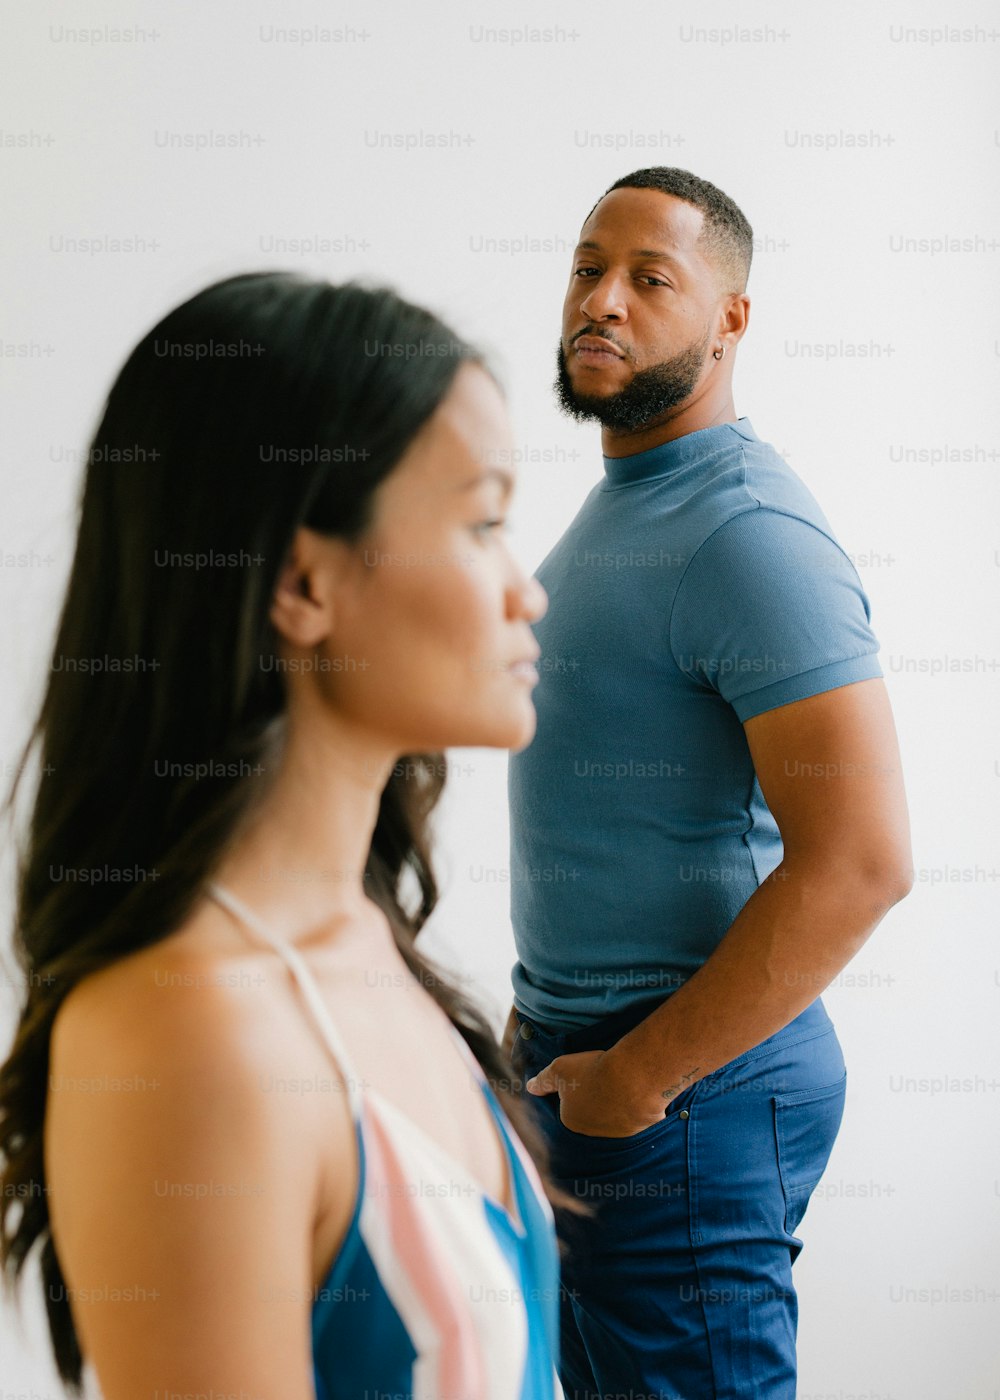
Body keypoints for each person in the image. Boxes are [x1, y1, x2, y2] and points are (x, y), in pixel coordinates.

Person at [0, 272, 568, 1399]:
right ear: (302, 579)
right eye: (484, 520)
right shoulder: (187, 1030)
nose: (526, 592)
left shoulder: (365, 939)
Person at [504, 168, 914, 1399]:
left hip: (688, 1091)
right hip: (596, 1070)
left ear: (731, 321)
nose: (602, 302)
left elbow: (864, 858)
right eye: (588, 267)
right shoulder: (620, 504)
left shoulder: (747, 531)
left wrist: (641, 1073)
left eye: (650, 278)